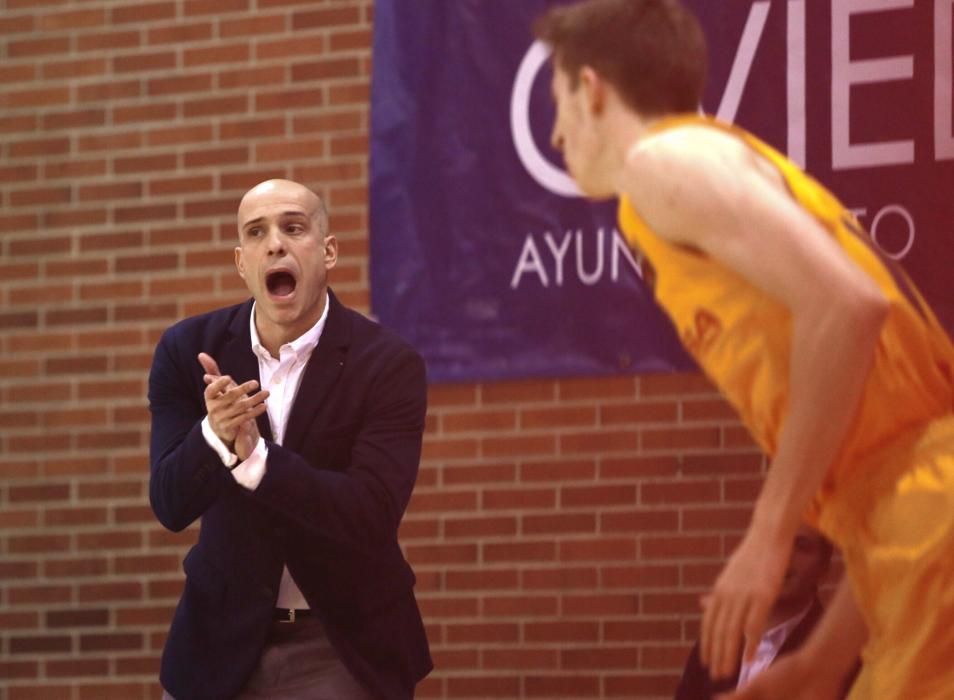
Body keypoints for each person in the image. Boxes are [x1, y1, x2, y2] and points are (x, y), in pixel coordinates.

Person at [533, 1, 954, 698]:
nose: (553, 133)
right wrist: (819, 665)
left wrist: (767, 535)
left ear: (593, 88)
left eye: (557, 102)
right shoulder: (707, 160)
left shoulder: (660, 159)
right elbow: (897, 482)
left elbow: (849, 306)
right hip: (918, 531)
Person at [148, 179, 432, 700]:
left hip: (342, 642)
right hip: (219, 641)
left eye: (292, 227)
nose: (274, 243)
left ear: (327, 252)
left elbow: (369, 515)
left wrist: (257, 460)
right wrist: (213, 434)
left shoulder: (388, 364)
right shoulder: (188, 351)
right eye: (257, 233)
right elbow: (169, 503)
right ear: (241, 262)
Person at [675, 525, 848, 699]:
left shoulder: (840, 653)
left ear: (824, 567)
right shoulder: (719, 637)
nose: (784, 556)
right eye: (775, 540)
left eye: (801, 546)